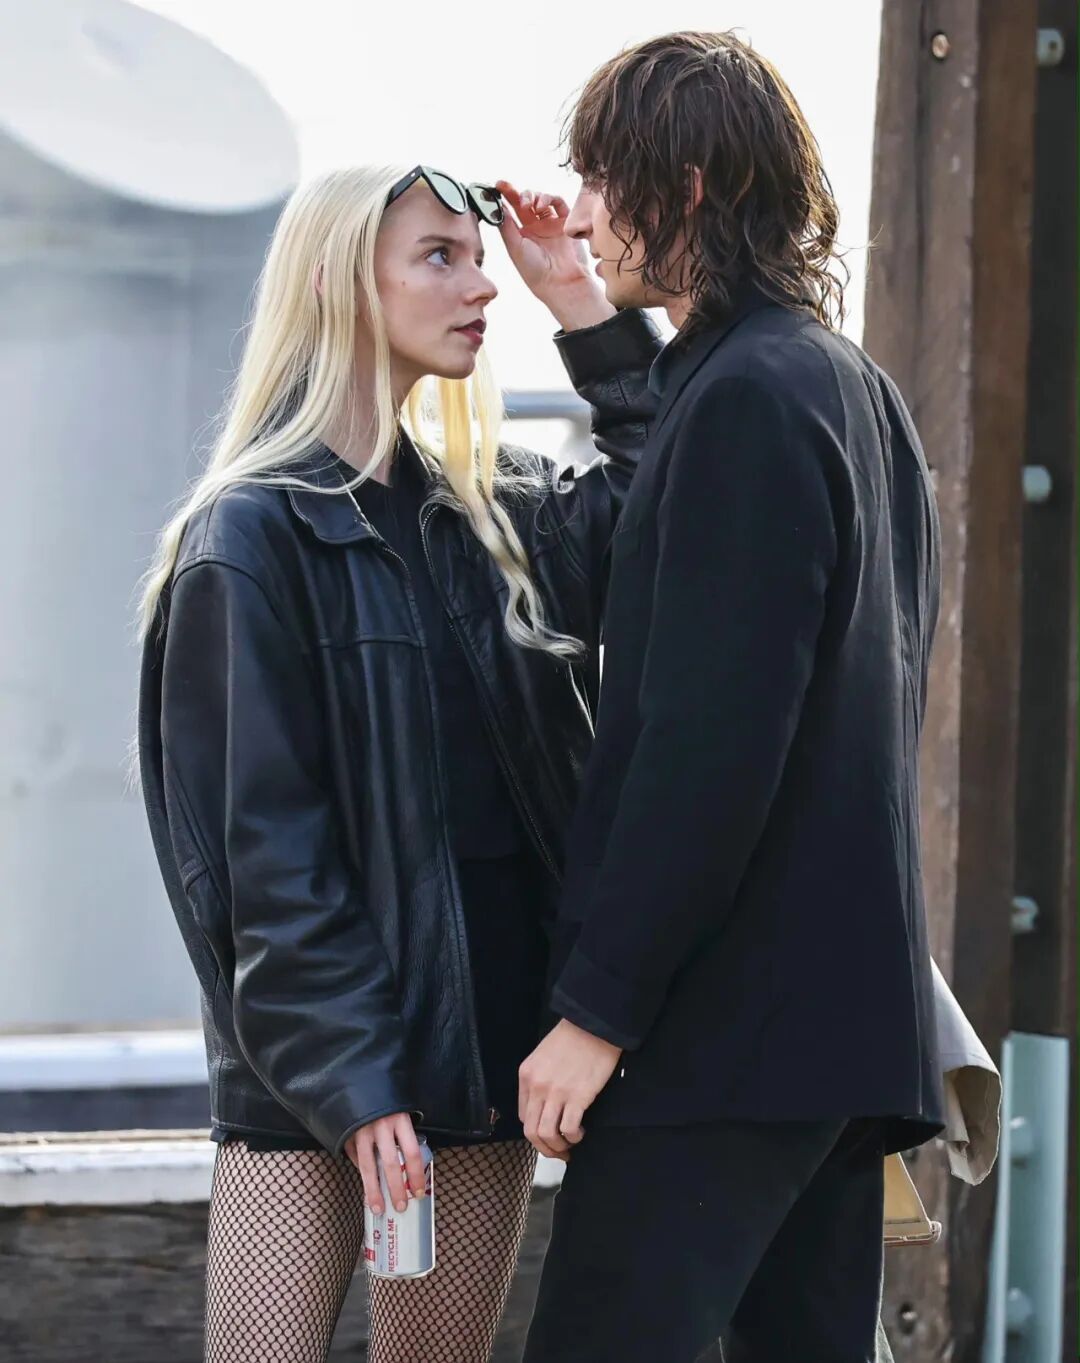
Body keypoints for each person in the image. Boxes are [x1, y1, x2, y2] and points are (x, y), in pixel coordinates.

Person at [136, 162, 661, 1363]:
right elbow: (264, 860)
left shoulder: (497, 514)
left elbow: (675, 507)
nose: (483, 286)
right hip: (308, 1081)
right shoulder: (249, 539)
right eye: (440, 257)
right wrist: (357, 1081)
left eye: (478, 257)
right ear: (338, 282)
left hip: (484, 1064)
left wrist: (580, 302)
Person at [517, 31, 945, 1363]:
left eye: (605, 176)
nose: (585, 210)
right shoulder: (845, 386)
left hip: (724, 1034)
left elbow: (710, 747)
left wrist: (598, 1011)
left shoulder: (749, 400)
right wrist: (588, 319)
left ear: (688, 185)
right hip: (830, 1032)